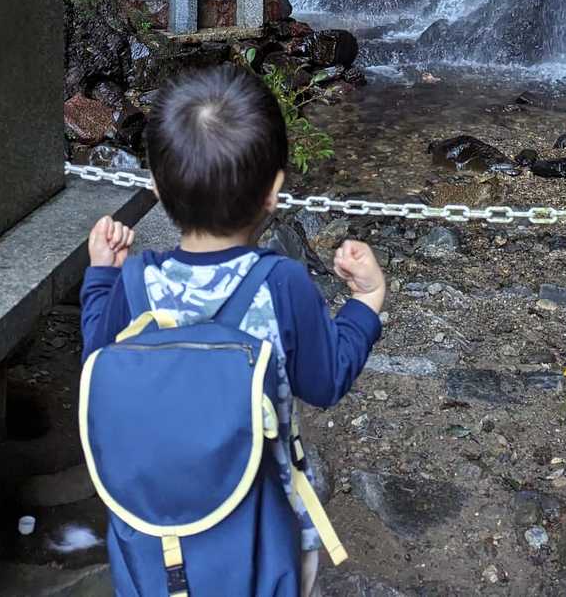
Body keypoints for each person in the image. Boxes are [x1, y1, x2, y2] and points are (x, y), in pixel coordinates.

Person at [81, 64, 387, 597]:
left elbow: (96, 363)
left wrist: (102, 277)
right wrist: (366, 300)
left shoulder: (135, 282)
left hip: (154, 534)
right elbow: (326, 381)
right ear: (273, 190)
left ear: (156, 187)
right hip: (259, 537)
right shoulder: (282, 284)